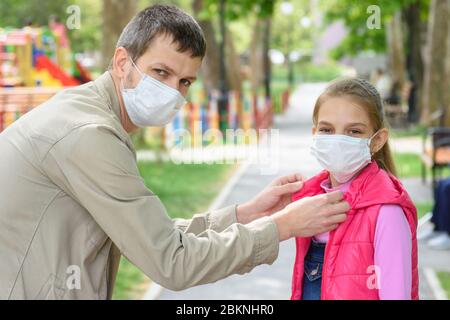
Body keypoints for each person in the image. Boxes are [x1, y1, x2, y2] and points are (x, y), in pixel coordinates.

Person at [0, 5, 349, 300]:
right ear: (122, 62)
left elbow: (150, 235)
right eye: (161, 73)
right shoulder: (89, 135)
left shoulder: (88, 113)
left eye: (184, 82)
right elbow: (171, 261)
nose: (172, 92)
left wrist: (245, 214)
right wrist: (281, 226)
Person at [290, 78, 419, 300]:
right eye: (327, 130)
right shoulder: (310, 203)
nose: (338, 140)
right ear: (315, 133)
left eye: (354, 132)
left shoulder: (386, 212)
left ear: (377, 140)